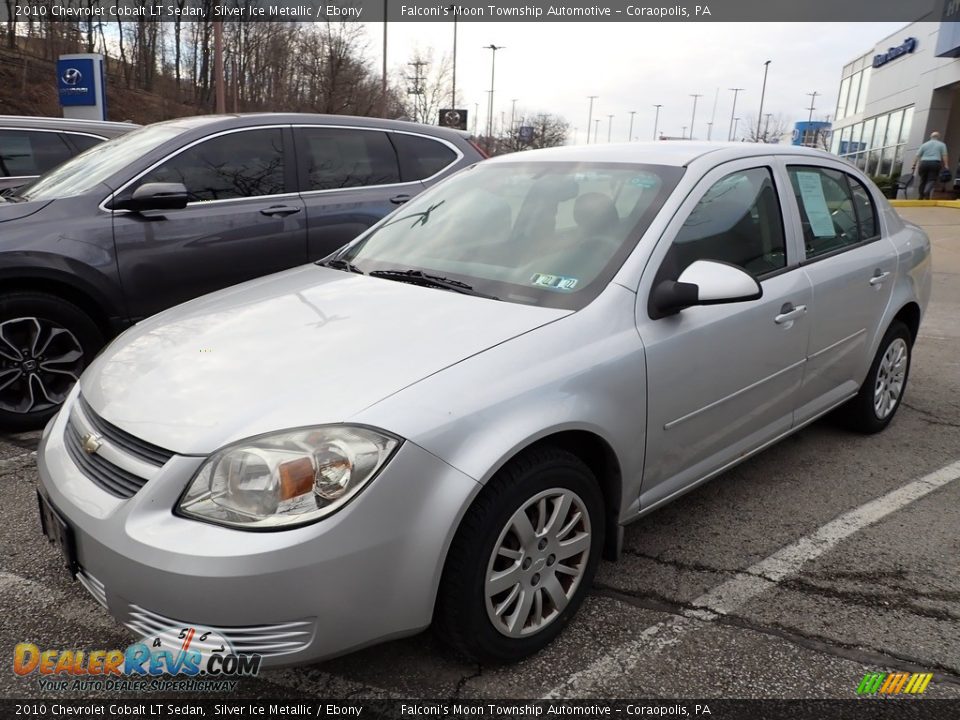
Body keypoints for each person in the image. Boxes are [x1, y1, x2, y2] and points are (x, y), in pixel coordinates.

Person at [913, 131, 949, 200]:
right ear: (938, 137)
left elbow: (917, 155)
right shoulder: (942, 145)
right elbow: (944, 155)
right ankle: (926, 191)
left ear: (930, 137)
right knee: (931, 180)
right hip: (935, 163)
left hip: (924, 163)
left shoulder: (924, 145)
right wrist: (946, 165)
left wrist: (913, 164)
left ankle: (921, 196)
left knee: (923, 180)